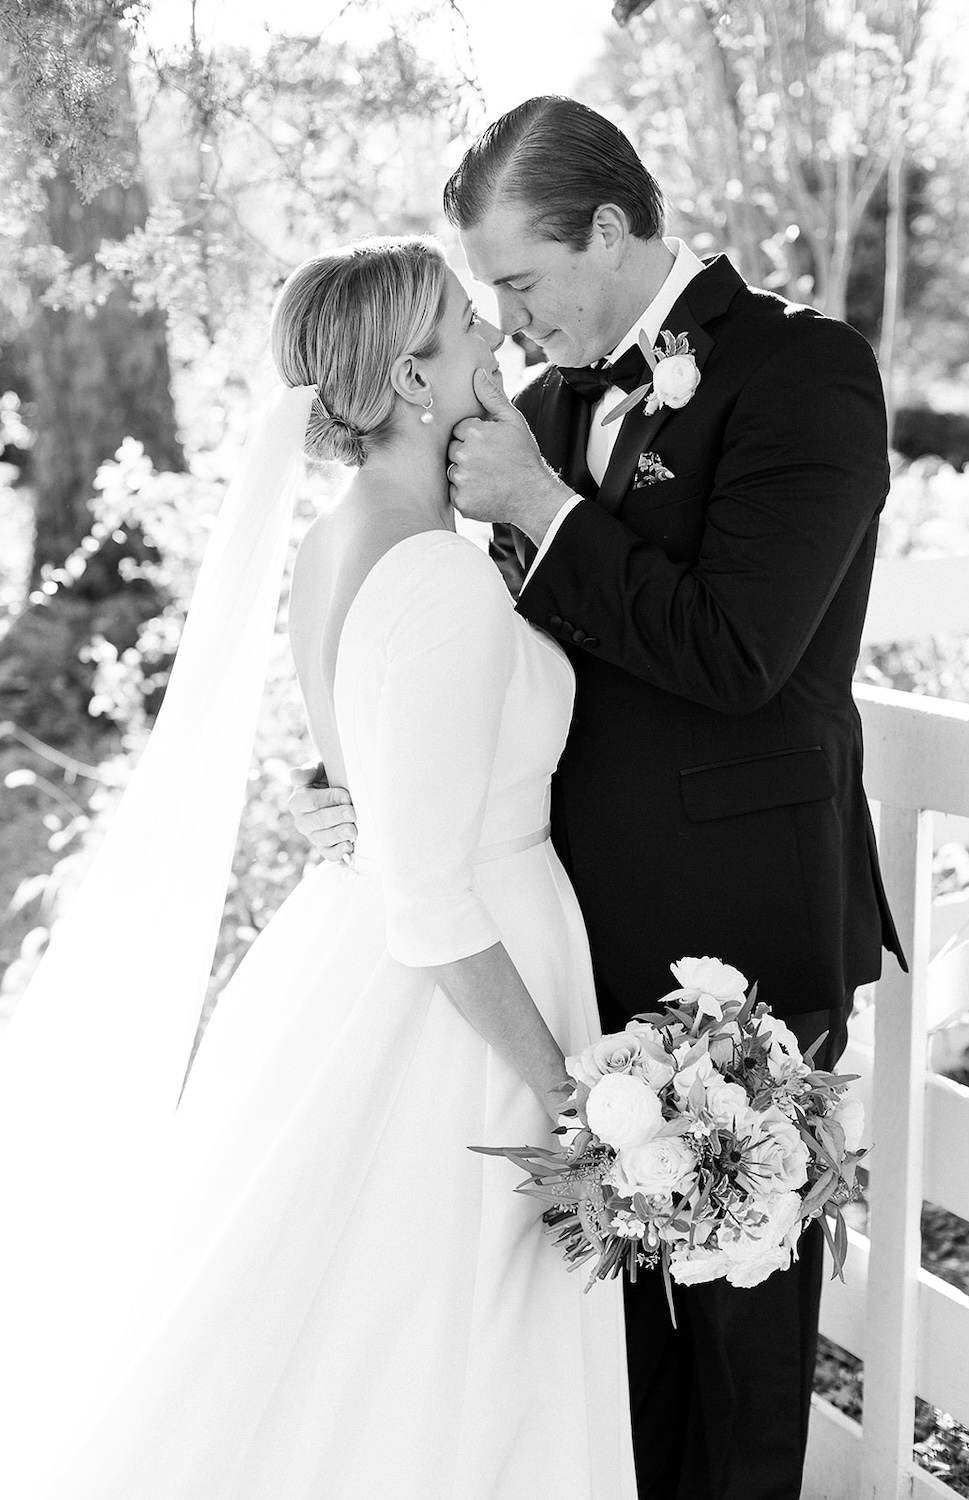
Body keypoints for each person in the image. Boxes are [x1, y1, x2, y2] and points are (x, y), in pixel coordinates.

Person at [291, 97, 906, 1500]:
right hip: (558, 956)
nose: (501, 323)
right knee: (599, 1364)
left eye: (517, 281)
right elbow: (415, 620)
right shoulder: (546, 407)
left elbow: (746, 653)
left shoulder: (806, 372)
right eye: (485, 297)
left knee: (741, 1352)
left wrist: (544, 509)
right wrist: (352, 786)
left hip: (741, 943)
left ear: (612, 231)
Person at [0, 237, 637, 1499]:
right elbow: (434, 897)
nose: (498, 339)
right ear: (410, 381)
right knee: (448, 1356)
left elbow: (371, 775)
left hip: (356, 963)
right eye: (470, 326)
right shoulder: (442, 576)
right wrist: (575, 1103)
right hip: (464, 1016)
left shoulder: (339, 538)